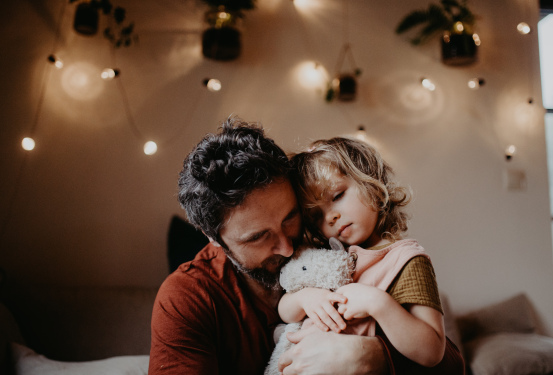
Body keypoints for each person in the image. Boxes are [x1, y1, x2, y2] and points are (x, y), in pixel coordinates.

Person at [149, 117, 404, 375]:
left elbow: (441, 355)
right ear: (212, 236)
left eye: (290, 217)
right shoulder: (187, 298)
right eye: (258, 237)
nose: (286, 248)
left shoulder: (338, 247)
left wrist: (372, 355)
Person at [279, 137, 464, 371]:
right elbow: (284, 310)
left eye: (337, 196)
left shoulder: (405, 259)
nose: (330, 217)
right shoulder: (326, 257)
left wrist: (377, 303)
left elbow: (431, 352)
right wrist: (305, 298)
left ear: (372, 184)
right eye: (316, 216)